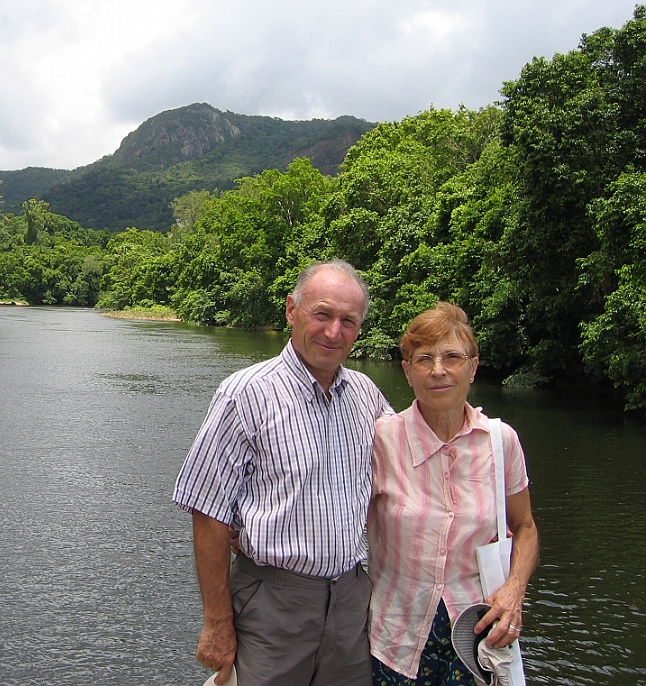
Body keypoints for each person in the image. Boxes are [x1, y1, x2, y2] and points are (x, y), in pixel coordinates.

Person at [173, 260, 392, 686]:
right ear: (292, 310)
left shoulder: (366, 396)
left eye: (348, 321)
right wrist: (217, 621)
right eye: (322, 314)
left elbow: (415, 460)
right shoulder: (245, 394)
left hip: (350, 603)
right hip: (271, 605)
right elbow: (207, 511)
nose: (334, 332)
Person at [367, 302, 539, 685]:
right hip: (394, 639)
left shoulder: (501, 442)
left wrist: (514, 591)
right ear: (408, 372)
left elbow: (525, 527)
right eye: (424, 359)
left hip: (477, 638)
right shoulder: (381, 440)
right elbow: (338, 514)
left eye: (452, 357)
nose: (438, 370)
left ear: (473, 367)